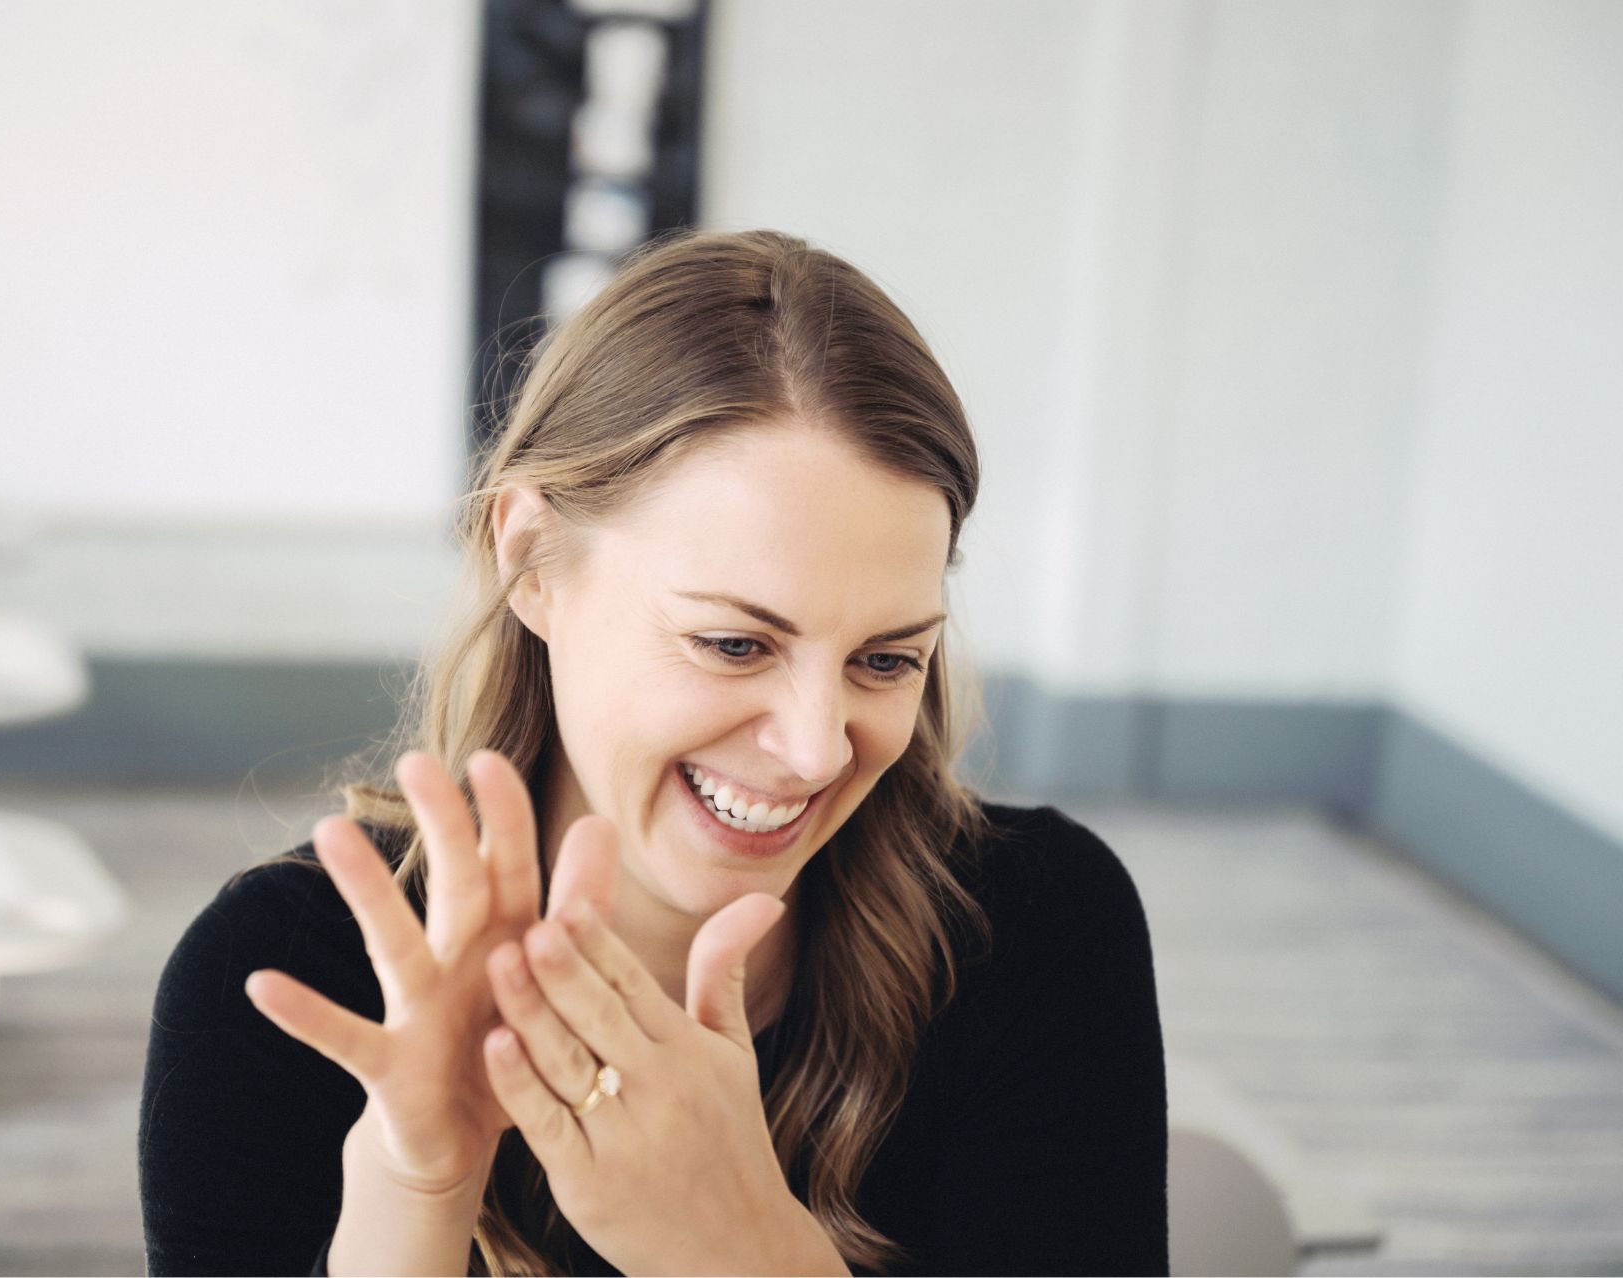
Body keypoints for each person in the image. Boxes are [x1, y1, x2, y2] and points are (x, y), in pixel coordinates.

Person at [138, 229, 1168, 1276]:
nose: (815, 750)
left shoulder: (1030, 927)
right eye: (733, 644)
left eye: (886, 661)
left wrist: (747, 1253)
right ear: (533, 559)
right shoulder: (284, 979)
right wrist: (420, 1190)